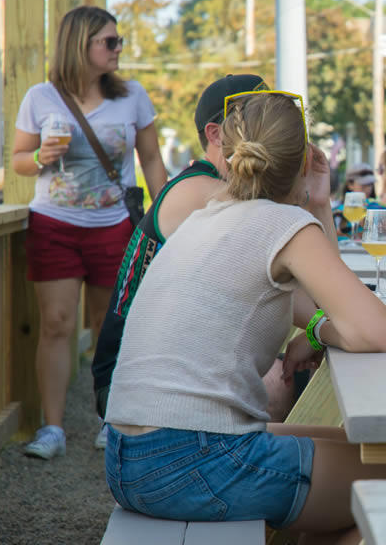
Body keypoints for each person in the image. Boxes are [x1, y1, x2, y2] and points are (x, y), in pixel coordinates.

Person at [104, 91, 386, 541]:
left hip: (127, 457)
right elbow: (376, 331)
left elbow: (320, 311)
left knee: (369, 453)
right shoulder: (284, 225)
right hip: (194, 459)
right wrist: (322, 328)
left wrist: (318, 333)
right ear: (304, 162)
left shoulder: (210, 216)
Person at [92, 74, 309, 434]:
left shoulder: (217, 187)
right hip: (128, 383)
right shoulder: (204, 191)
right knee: (280, 381)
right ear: (214, 134)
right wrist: (321, 326)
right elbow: (307, 298)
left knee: (286, 370)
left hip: (155, 371)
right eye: (252, 118)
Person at [10, 5, 166, 460]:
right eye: (110, 42)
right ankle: (52, 429)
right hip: (54, 224)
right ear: (81, 46)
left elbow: (152, 160)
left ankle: (109, 420)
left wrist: (168, 216)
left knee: (109, 326)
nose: (119, 49)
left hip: (112, 225)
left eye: (118, 41)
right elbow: (18, 159)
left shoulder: (132, 95)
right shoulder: (41, 97)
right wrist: (41, 156)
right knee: (56, 325)